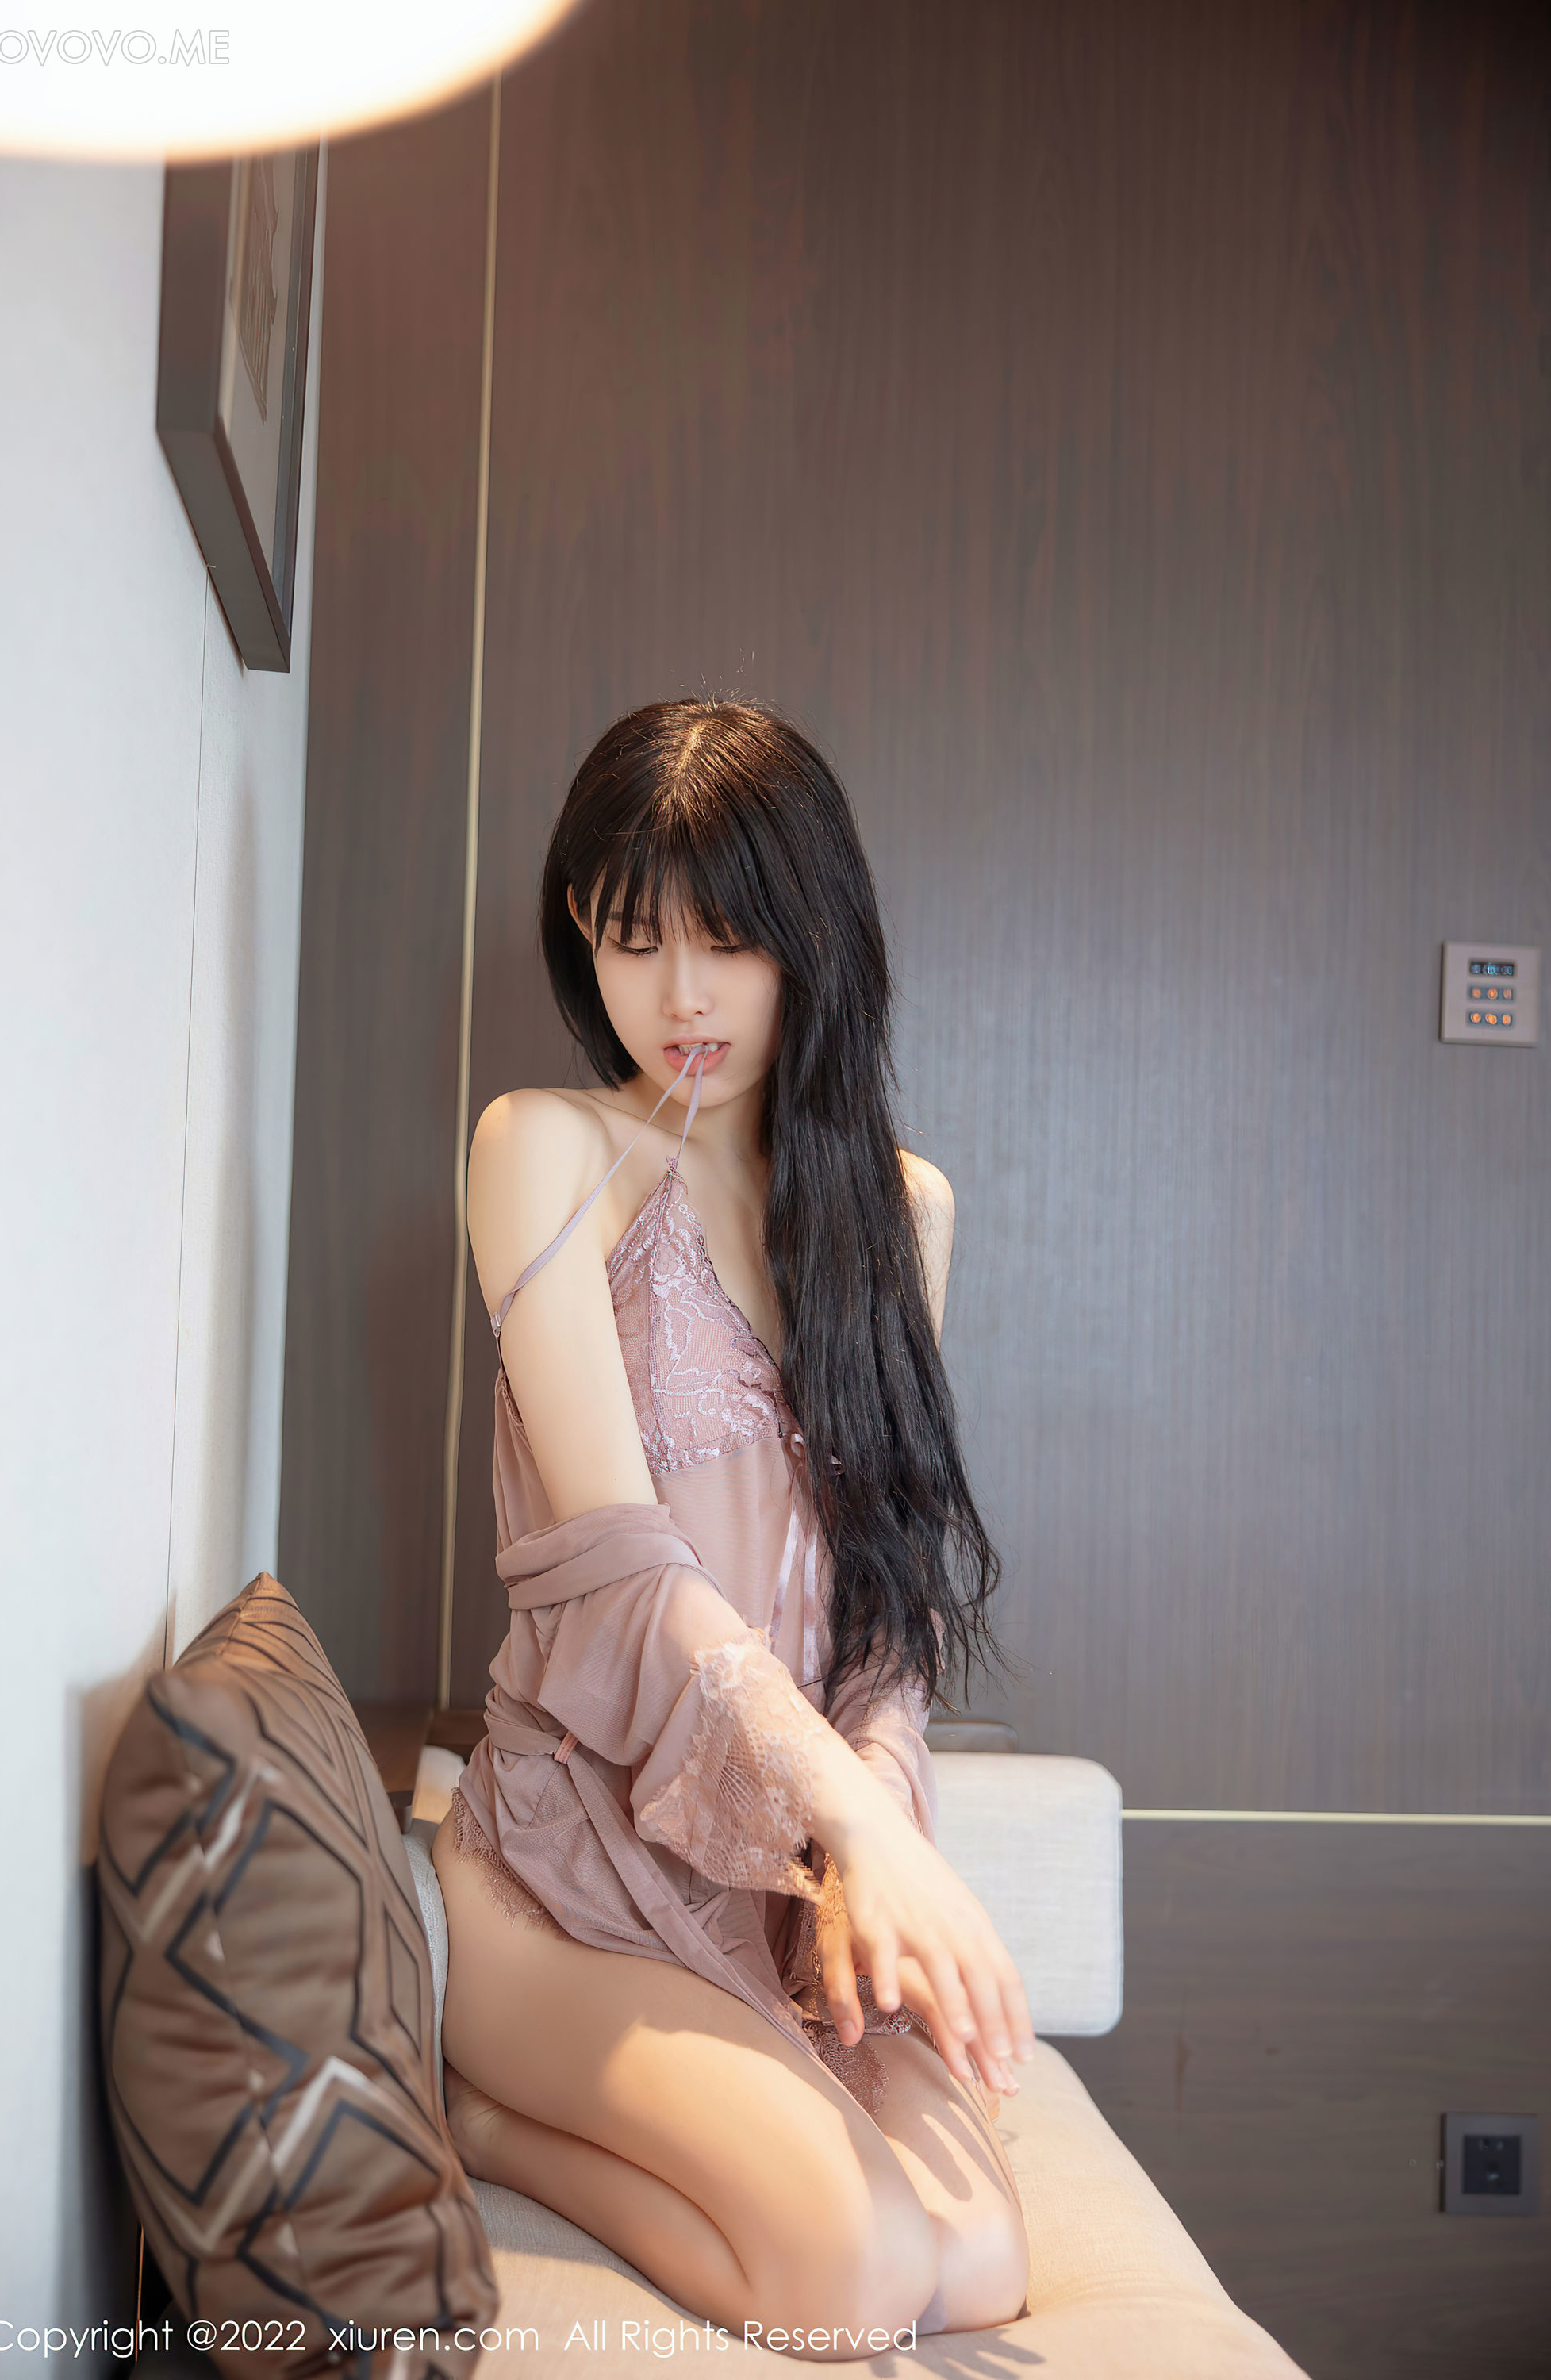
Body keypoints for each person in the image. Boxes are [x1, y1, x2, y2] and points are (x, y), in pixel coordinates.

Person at [434, 698, 1031, 2350]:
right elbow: (623, 1570)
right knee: (854, 2273)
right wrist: (855, 1825)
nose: (680, 996)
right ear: (583, 932)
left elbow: (886, 1611)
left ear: (812, 940)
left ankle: (577, 2100)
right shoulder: (544, 1150)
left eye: (730, 942)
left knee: (980, 2265)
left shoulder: (902, 1213)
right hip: (569, 1878)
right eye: (635, 942)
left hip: (776, 1882)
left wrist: (868, 1842)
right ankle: (485, 2120)